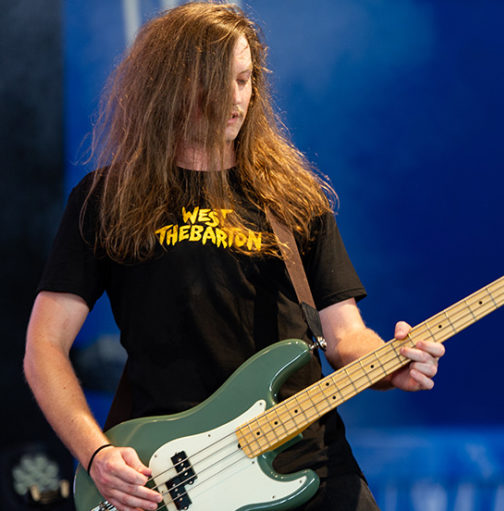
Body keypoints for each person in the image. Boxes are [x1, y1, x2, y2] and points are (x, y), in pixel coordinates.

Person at [22, 3, 444, 511]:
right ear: (170, 86)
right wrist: (96, 454)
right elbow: (44, 346)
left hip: (312, 466)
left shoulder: (292, 196)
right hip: (181, 479)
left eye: (244, 80)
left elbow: (344, 334)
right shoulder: (107, 199)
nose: (236, 99)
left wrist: (387, 365)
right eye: (216, 83)